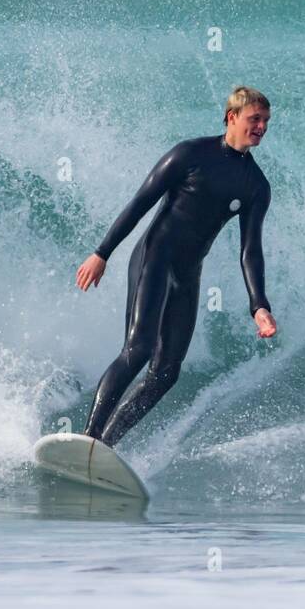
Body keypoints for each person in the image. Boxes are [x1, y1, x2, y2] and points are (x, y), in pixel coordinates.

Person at [75, 86, 277, 447]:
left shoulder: (256, 186)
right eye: (254, 119)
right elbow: (140, 203)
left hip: (187, 274)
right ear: (232, 117)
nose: (261, 126)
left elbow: (250, 251)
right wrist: (101, 253)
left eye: (265, 121)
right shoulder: (189, 154)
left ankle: (104, 445)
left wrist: (259, 306)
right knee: (138, 349)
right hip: (154, 259)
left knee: (166, 372)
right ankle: (88, 436)